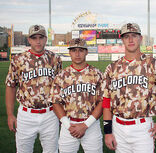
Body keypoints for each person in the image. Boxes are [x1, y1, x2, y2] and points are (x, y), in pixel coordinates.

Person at [102, 23, 156, 153]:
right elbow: (106, 101)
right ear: (122, 40)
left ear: (140, 38)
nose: (130, 40)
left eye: (134, 36)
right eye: (126, 36)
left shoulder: (154, 65)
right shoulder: (112, 68)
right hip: (118, 126)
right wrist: (107, 132)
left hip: (143, 127)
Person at [5, 24, 62, 153]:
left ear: (45, 39)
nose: (38, 41)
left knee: (51, 151)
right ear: (29, 40)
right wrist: (10, 114)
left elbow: (59, 89)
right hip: (26, 115)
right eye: (34, 37)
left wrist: (61, 114)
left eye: (41, 37)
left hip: (50, 114)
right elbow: (11, 86)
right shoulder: (18, 59)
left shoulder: (55, 59)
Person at [49, 38, 103, 153]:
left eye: (81, 50)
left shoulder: (97, 74)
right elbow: (55, 102)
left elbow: (103, 102)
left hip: (91, 125)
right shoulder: (61, 76)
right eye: (74, 50)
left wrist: (85, 125)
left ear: (86, 52)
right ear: (69, 52)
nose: (77, 54)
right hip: (68, 126)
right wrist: (68, 125)